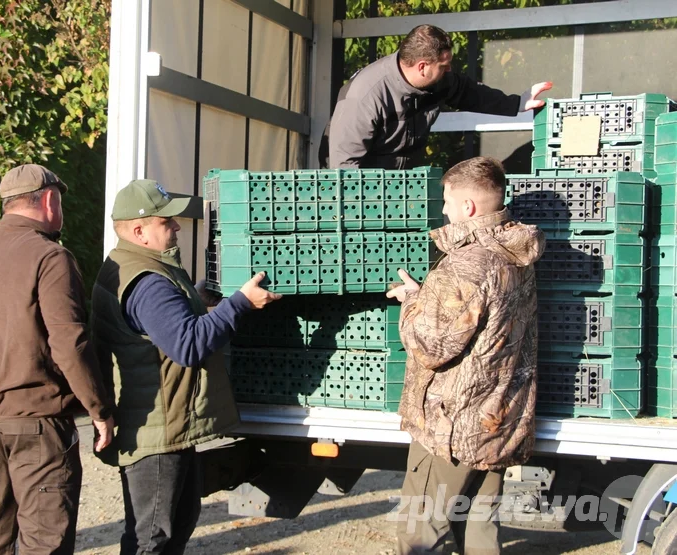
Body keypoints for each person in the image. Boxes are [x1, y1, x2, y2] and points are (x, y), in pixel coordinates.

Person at [91, 179, 282, 555]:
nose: (177, 227)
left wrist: (197, 298)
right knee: (152, 539)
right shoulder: (147, 281)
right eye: (167, 222)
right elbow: (188, 345)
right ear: (139, 230)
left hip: (166, 427)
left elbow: (160, 328)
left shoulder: (135, 265)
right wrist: (239, 303)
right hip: (156, 436)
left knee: (177, 522)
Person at [386, 157, 545, 554]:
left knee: (422, 530)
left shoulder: (469, 262)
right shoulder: (515, 249)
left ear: (468, 207)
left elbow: (432, 346)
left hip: (453, 428)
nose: (443, 210)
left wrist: (410, 301)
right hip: (496, 419)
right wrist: (431, 296)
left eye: (447, 201)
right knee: (478, 529)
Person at [0, 164, 115, 554]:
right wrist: (99, 409)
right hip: (35, 419)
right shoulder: (49, 257)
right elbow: (69, 342)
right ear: (49, 200)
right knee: (45, 539)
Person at [321, 24, 552, 169]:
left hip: (404, 181)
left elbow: (470, 92)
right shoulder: (364, 97)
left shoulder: (438, 80)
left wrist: (516, 103)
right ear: (422, 66)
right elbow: (343, 167)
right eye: (444, 65)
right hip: (363, 189)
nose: (449, 70)